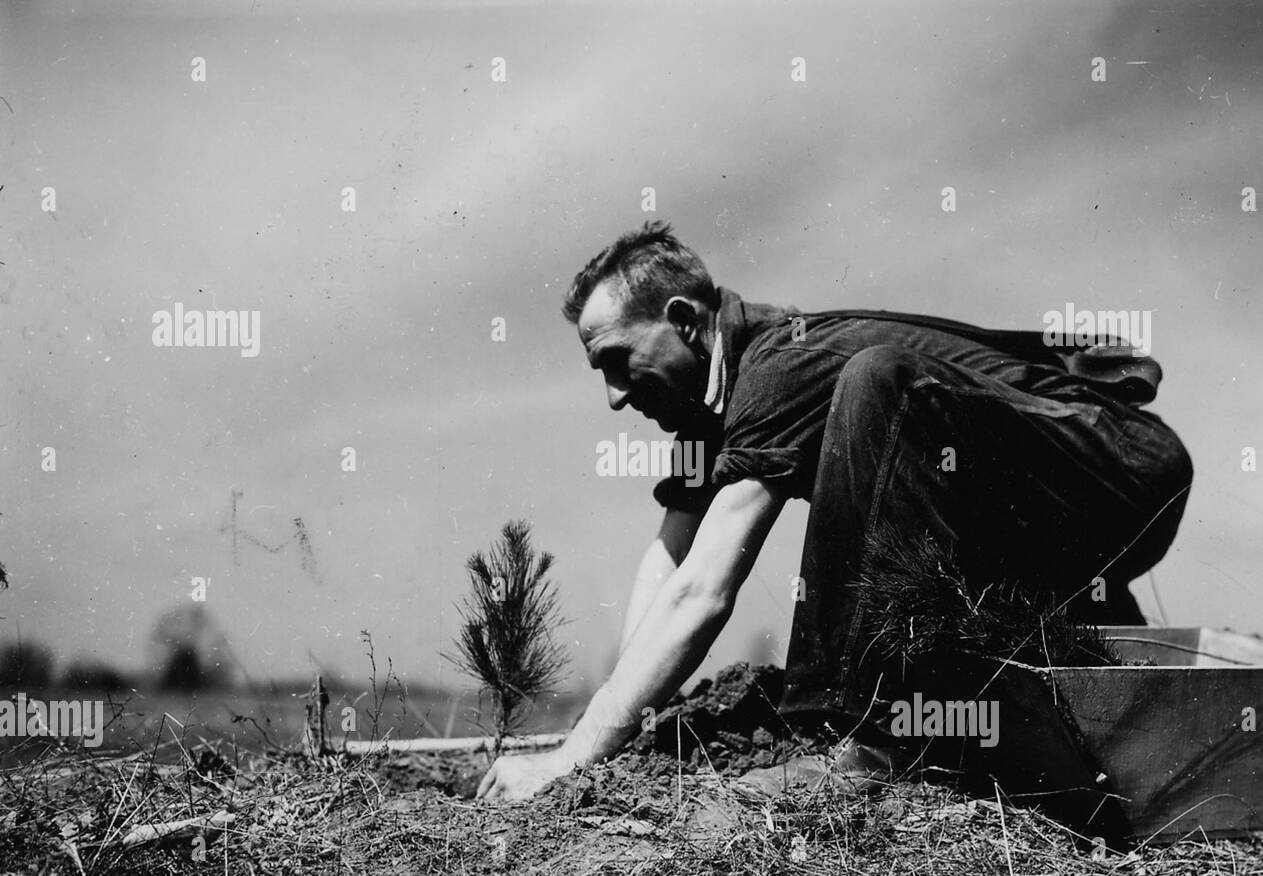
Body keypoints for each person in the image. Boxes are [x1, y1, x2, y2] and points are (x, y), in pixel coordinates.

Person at [476, 221, 1193, 802]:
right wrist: (609, 725)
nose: (613, 396)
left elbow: (704, 590)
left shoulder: (774, 367)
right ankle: (1072, 658)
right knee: (889, 416)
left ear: (684, 322)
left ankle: (860, 737)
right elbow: (669, 563)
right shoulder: (712, 411)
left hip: (1117, 465)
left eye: (614, 360)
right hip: (1050, 507)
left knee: (881, 380)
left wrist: (568, 762)